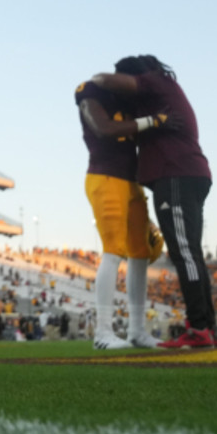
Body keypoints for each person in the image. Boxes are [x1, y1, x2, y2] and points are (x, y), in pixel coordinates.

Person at [93, 55, 217, 349]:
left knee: (185, 254)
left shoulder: (153, 82)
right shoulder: (164, 90)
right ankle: (208, 329)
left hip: (174, 175)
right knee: (192, 254)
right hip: (188, 174)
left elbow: (102, 80)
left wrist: (98, 86)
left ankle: (199, 328)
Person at [75, 79, 169, 350]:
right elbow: (104, 128)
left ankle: (137, 331)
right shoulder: (92, 92)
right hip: (105, 177)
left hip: (132, 182)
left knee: (139, 253)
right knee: (113, 250)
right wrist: (152, 121)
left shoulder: (130, 104)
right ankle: (102, 333)